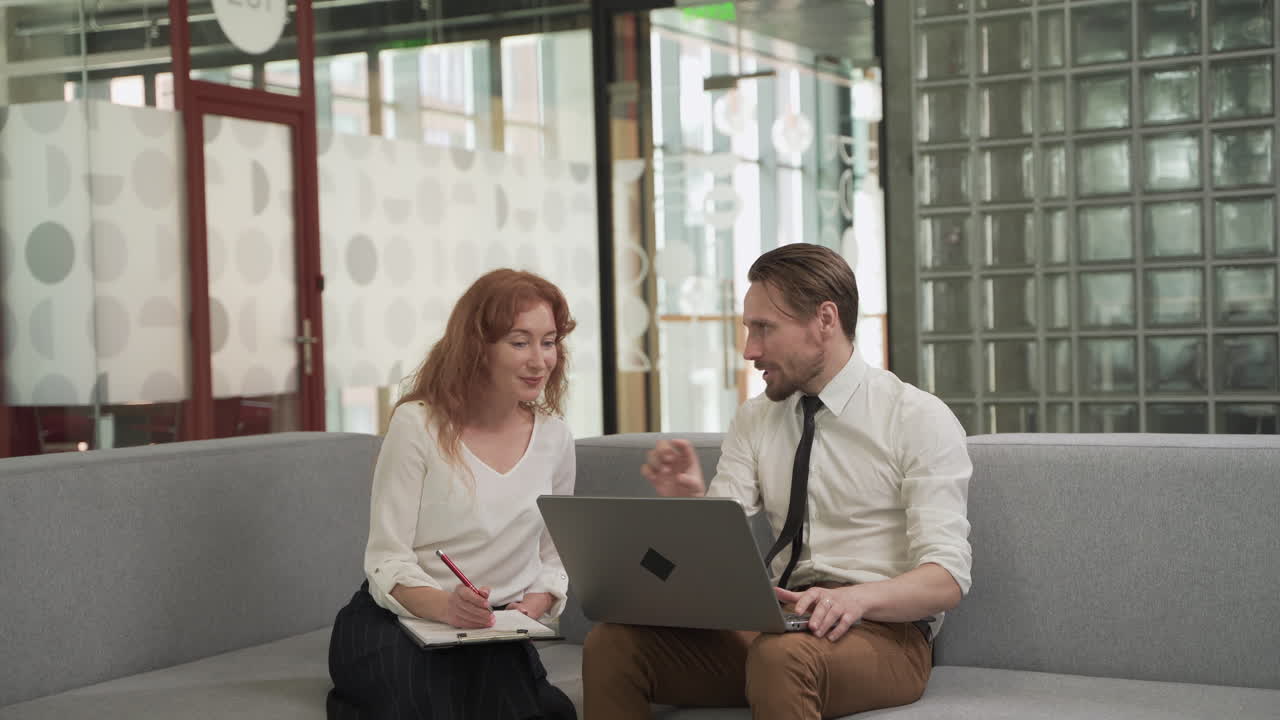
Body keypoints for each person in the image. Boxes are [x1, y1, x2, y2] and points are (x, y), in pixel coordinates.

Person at [583, 243, 972, 719]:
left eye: (764, 328)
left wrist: (854, 598)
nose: (750, 350)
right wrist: (690, 504)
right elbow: (715, 551)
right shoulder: (756, 419)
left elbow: (946, 578)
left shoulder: (916, 418)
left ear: (825, 320)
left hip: (885, 635)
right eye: (749, 329)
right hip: (778, 626)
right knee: (613, 644)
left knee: (780, 658)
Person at [327, 269, 578, 720]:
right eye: (519, 342)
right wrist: (447, 606)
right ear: (478, 348)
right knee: (425, 701)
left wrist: (534, 604)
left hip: (490, 630)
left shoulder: (555, 439)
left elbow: (554, 558)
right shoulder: (417, 426)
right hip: (397, 621)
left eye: (549, 341)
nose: (540, 360)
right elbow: (387, 559)